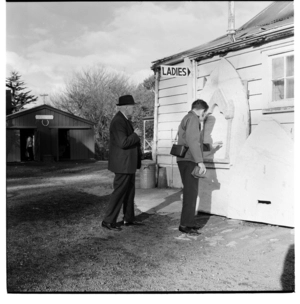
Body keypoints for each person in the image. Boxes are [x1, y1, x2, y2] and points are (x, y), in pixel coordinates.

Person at [102, 95, 142, 231]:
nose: (133, 109)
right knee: (119, 192)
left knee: (130, 192)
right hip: (123, 164)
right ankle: (108, 221)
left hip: (128, 164)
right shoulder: (118, 121)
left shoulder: (124, 120)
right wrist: (136, 135)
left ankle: (128, 218)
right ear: (125, 107)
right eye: (132, 107)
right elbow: (123, 143)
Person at [176, 99, 209, 235]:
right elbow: (193, 141)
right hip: (189, 160)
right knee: (191, 193)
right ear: (201, 110)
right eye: (205, 113)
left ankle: (188, 223)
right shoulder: (193, 119)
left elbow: (189, 140)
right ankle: (185, 225)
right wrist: (200, 161)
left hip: (184, 159)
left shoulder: (186, 117)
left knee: (190, 193)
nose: (204, 116)